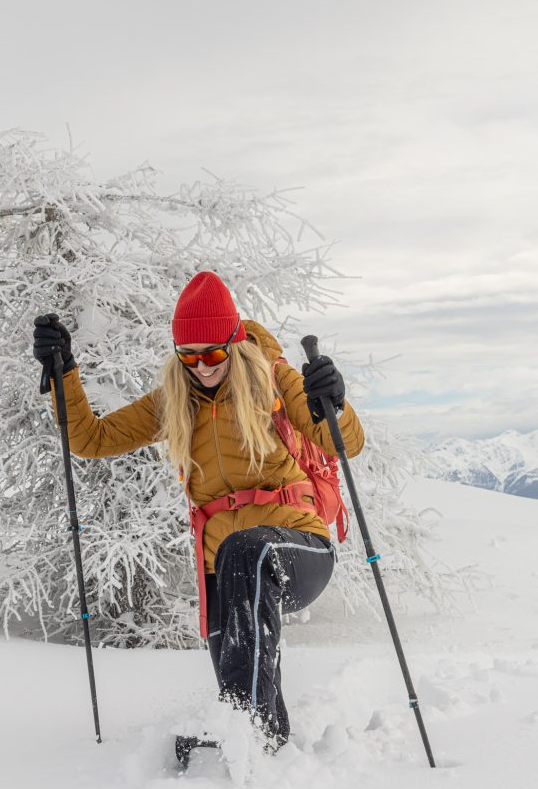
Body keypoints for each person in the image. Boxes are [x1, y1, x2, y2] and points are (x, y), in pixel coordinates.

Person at [33, 271, 364, 749]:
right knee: (243, 680)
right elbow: (91, 439)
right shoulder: (176, 399)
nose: (202, 368)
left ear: (234, 344)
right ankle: (264, 747)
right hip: (224, 574)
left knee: (245, 554)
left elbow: (345, 442)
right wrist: (64, 374)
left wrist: (332, 400)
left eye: (212, 355)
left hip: (297, 547)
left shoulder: (272, 380)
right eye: (189, 357)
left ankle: (241, 737)